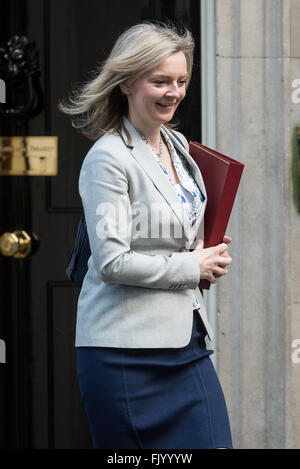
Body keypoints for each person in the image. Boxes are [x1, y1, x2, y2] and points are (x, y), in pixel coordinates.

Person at [59, 21, 233, 449]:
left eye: (181, 81)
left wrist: (206, 252)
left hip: (187, 342)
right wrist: (191, 265)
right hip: (125, 356)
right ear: (127, 82)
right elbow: (112, 261)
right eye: (160, 81)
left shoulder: (177, 146)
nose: (173, 92)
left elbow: (178, 230)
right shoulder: (108, 158)